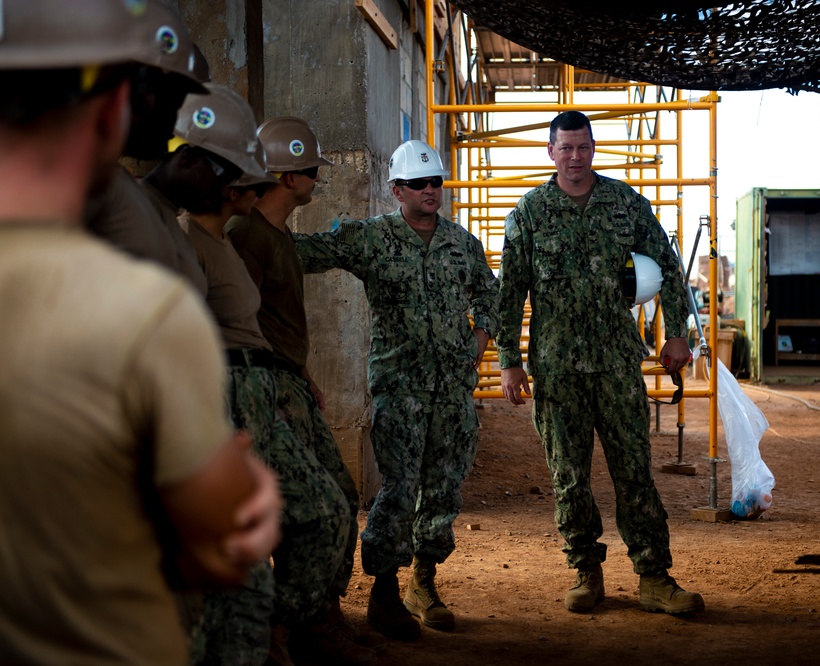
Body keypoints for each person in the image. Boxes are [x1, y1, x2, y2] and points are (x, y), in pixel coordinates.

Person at [0, 2, 282, 664]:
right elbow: (211, 542)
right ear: (113, 106)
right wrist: (246, 498)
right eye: (171, 99)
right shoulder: (143, 316)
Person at [496, 110, 704, 616]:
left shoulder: (624, 203)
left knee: (634, 471)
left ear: (593, 149)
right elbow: (510, 292)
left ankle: (654, 576)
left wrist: (677, 333)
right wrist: (509, 360)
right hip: (556, 368)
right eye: (564, 148)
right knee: (569, 477)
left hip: (615, 364)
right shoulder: (529, 211)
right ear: (550, 152)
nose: (574, 157)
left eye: (582, 147)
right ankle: (585, 572)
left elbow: (669, 264)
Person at [293, 139, 499, 639]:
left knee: (444, 487)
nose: (431, 191)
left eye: (437, 183)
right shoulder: (372, 239)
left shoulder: (460, 242)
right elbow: (307, 252)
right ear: (397, 190)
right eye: (420, 184)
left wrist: (479, 338)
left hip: (452, 389)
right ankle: (384, 589)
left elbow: (491, 291)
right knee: (400, 488)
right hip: (400, 387)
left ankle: (423, 582)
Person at [226, 117, 379, 664]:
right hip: (261, 387)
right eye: (313, 170)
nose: (318, 179)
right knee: (314, 507)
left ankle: (320, 616)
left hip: (290, 380)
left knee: (339, 496)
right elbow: (234, 322)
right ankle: (281, 629)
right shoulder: (245, 236)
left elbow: (272, 319)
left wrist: (305, 375)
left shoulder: (276, 232)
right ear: (290, 176)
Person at [85, 0, 210, 293]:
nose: (176, 124)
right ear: (143, 96)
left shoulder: (113, 185)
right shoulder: (84, 188)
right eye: (177, 103)